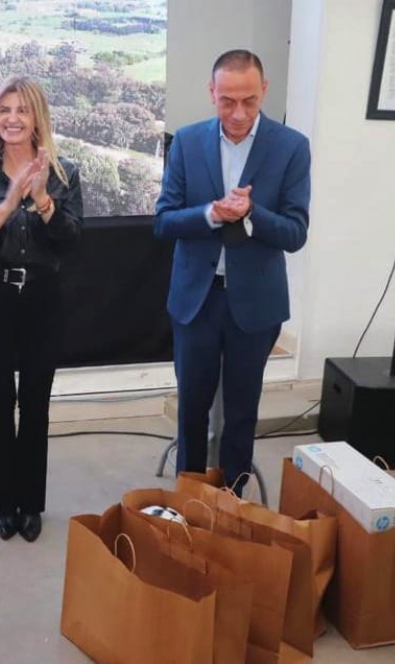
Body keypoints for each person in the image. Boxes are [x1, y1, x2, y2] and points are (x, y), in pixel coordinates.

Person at [154, 50, 310, 492]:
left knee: (242, 412)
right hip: (196, 300)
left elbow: (296, 233)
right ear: (211, 93)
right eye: (227, 101)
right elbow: (164, 220)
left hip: (256, 304)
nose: (238, 113)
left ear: (263, 91)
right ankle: (189, 505)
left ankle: (231, 508)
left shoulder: (291, 147)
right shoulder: (186, 141)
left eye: (248, 101)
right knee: (192, 411)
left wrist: (250, 213)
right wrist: (211, 213)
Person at [0, 76, 83, 543]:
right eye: (3, 109)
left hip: (44, 299)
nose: (12, 118)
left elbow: (71, 239)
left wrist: (43, 200)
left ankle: (31, 502)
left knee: (35, 402)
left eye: (21, 110)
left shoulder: (65, 171)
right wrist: (8, 204)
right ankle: (2, 502)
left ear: (37, 118)